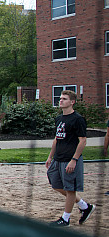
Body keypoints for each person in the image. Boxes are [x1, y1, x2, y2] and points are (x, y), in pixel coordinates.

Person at [46, 89, 93, 227]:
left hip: (70, 159)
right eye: (60, 98)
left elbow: (82, 141)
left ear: (72, 102)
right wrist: (50, 157)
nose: (61, 100)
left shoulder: (78, 119)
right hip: (58, 158)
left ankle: (65, 219)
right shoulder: (59, 119)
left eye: (64, 99)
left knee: (70, 189)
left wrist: (74, 159)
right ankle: (84, 206)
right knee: (56, 184)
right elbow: (56, 139)